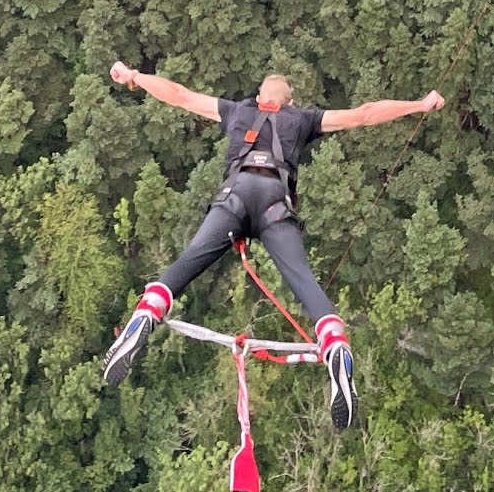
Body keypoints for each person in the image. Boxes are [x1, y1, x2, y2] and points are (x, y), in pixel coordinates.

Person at [102, 61, 445, 429]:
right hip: (274, 202)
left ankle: (146, 314)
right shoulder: (302, 119)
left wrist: (135, 78)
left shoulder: (237, 110)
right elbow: (363, 115)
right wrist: (418, 104)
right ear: (290, 101)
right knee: (303, 281)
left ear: (258, 97)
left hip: (234, 196)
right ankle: (335, 346)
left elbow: (180, 95)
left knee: (186, 263)